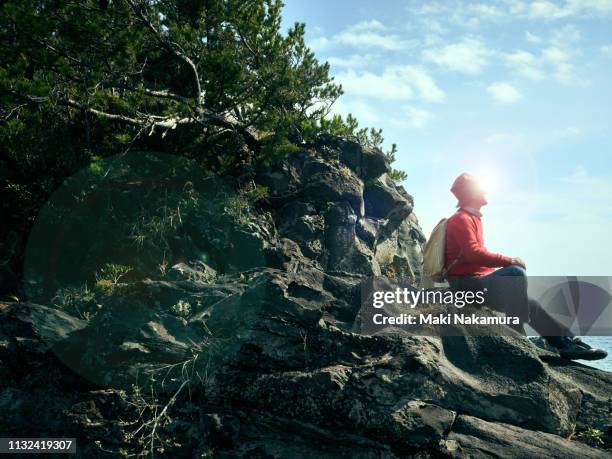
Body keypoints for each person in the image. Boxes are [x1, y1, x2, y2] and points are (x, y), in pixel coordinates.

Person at [444, 172, 607, 361]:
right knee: (515, 272)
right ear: (470, 192)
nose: (485, 191)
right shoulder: (461, 219)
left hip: (475, 283)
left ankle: (566, 344)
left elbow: (473, 259)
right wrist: (509, 260)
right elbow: (474, 253)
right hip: (466, 286)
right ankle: (516, 331)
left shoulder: (474, 218)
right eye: (480, 188)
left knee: (533, 305)